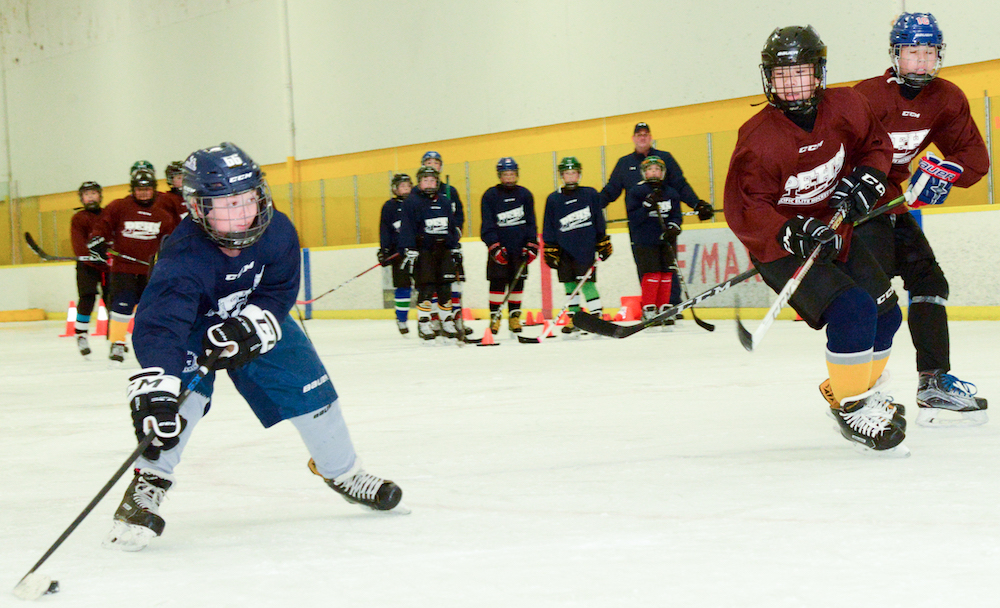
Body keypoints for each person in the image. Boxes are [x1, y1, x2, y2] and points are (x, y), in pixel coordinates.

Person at [103, 143, 405, 552]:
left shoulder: (278, 230)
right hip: (193, 331)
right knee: (175, 405)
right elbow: (162, 324)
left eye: (248, 199)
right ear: (198, 208)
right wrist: (159, 380)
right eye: (226, 204)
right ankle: (149, 482)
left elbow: (279, 287)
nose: (242, 213)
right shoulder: (184, 255)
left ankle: (343, 472)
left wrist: (261, 317)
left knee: (311, 386)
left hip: (249, 319)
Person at [724, 25, 908, 456]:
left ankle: (847, 388)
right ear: (768, 78)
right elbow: (746, 207)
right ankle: (852, 405)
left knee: (887, 314)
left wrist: (868, 177)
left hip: (834, 228)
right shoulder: (758, 139)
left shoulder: (847, 105)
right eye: (782, 75)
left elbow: (876, 146)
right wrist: (788, 229)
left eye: (801, 73)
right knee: (853, 309)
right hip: (783, 246)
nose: (792, 85)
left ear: (819, 74)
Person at [853, 12, 989, 427]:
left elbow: (974, 159)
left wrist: (943, 177)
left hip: (891, 203)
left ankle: (932, 381)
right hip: (857, 209)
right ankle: (857, 391)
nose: (922, 62)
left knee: (930, 281)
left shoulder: (946, 98)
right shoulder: (866, 96)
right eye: (913, 52)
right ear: (895, 54)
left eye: (929, 53)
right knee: (874, 299)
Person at [600, 122, 714, 318]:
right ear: (633, 138)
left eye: (646, 134)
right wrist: (592, 206)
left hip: (664, 224)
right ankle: (650, 306)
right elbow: (611, 191)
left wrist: (696, 204)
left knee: (668, 267)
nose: (642, 137)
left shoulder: (665, 159)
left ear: (650, 137)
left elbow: (680, 185)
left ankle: (671, 306)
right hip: (640, 227)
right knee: (647, 268)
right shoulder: (624, 163)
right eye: (639, 134)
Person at [87, 168, 176, 365]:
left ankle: (153, 342)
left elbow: (170, 242)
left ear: (154, 190)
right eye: (139, 189)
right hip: (123, 269)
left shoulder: (163, 215)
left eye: (147, 189)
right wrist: (97, 240)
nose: (143, 193)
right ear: (132, 189)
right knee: (121, 305)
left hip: (150, 271)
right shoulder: (119, 207)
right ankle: (117, 343)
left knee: (152, 309)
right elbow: (103, 226)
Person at [542, 157, 612, 335]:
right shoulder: (553, 199)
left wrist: (602, 240)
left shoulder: (590, 194)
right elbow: (549, 224)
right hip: (564, 249)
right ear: (562, 176)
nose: (570, 177)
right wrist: (550, 247)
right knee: (569, 285)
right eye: (567, 173)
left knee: (587, 283)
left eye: (573, 173)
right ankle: (575, 320)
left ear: (579, 175)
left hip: (585, 248)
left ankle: (596, 317)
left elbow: (598, 218)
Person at [399, 164, 461, 342]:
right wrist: (408, 248)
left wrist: (454, 245)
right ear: (419, 182)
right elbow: (407, 227)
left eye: (432, 180)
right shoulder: (411, 202)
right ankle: (424, 322)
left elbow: (450, 226)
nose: (429, 184)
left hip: (444, 250)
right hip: (424, 251)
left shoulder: (444, 201)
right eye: (425, 181)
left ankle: (446, 320)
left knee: (445, 287)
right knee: (426, 287)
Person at [480, 157, 538, 334]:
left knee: (518, 282)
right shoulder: (490, 195)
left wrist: (532, 244)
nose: (509, 178)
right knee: (497, 283)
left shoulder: (525, 194)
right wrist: (494, 246)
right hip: (500, 248)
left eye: (512, 174)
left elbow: (531, 222)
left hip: (519, 248)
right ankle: (495, 317)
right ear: (500, 175)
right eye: (506, 174)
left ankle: (514, 317)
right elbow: (487, 224)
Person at [625, 156, 683, 322]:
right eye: (650, 169)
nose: (654, 172)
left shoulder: (670, 192)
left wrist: (673, 228)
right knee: (652, 274)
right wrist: (647, 206)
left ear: (662, 173)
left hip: (666, 241)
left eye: (657, 169)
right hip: (645, 240)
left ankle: (664, 308)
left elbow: (676, 215)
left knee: (667, 274)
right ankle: (649, 308)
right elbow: (633, 218)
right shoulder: (637, 192)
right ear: (644, 173)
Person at [420, 150, 471, 335]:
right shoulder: (418, 192)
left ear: (441, 167)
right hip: (428, 247)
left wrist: (455, 235)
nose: (432, 166)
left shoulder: (450, 191)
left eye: (436, 163)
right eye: (428, 162)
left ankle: (455, 317)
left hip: (448, 244)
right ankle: (434, 318)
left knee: (453, 282)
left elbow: (458, 216)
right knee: (430, 283)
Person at [69, 181, 108, 357]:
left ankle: (116, 339)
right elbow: (79, 245)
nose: (91, 197)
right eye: (87, 194)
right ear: (82, 198)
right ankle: (81, 335)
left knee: (112, 299)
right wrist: (90, 256)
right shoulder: (79, 218)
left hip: (107, 265)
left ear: (100, 196)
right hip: (86, 266)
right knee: (87, 297)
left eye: (93, 193)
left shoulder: (108, 214)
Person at [379, 173, 414, 335]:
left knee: (426, 287)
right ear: (395, 189)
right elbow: (385, 230)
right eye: (402, 186)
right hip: (398, 255)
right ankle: (401, 320)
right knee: (403, 287)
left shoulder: (417, 203)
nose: (406, 189)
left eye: (408, 186)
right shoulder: (389, 207)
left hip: (418, 252)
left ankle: (428, 320)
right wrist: (385, 250)